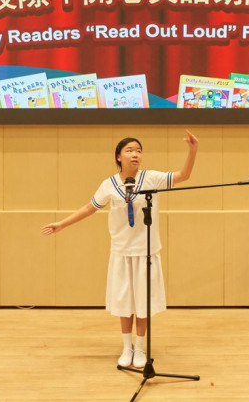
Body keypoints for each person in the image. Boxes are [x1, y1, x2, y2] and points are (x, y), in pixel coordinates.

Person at [40, 130, 199, 368]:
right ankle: (127, 347)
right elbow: (89, 208)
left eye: (139, 151)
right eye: (129, 150)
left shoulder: (151, 178)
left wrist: (192, 150)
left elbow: (183, 175)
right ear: (118, 157)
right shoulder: (109, 184)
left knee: (143, 303)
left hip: (146, 251)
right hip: (122, 252)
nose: (135, 155)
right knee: (125, 302)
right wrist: (62, 224)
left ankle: (140, 348)